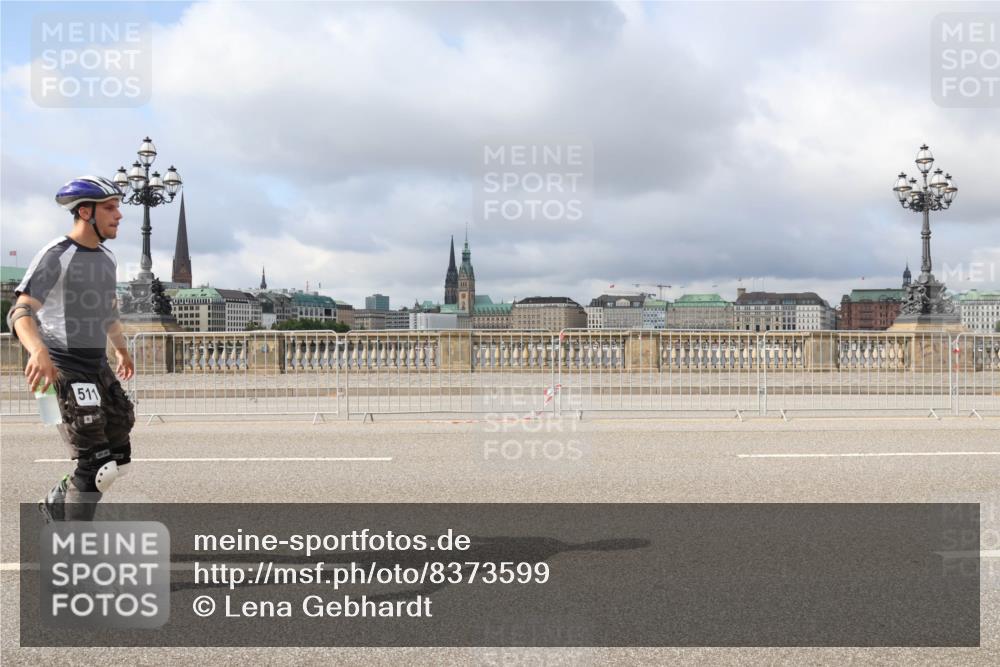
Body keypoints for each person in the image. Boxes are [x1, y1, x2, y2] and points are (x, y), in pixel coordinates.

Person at [6, 176, 136, 521]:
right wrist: (37, 350)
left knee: (118, 460)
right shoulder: (56, 255)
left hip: (98, 366)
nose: (119, 215)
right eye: (110, 208)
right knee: (96, 465)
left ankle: (57, 501)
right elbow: (20, 310)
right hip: (64, 366)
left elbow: (108, 310)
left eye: (118, 207)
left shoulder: (107, 259)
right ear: (84, 211)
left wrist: (120, 349)